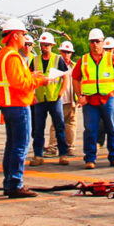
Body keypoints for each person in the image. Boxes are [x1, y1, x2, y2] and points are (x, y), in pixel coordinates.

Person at [0, 18, 50, 198]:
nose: (25, 38)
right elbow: (20, 83)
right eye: (23, 35)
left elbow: (13, 78)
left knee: (12, 146)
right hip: (18, 105)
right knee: (20, 146)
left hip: (8, 106)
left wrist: (30, 74)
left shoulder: (2, 55)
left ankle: (9, 182)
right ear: (15, 35)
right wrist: (39, 80)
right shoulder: (13, 56)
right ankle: (15, 184)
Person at [74, 28, 114, 168]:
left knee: (112, 128)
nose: (95, 44)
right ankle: (90, 158)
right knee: (90, 129)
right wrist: (80, 96)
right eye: (92, 42)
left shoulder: (112, 58)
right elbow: (75, 79)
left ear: (103, 42)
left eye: (97, 41)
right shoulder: (83, 60)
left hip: (108, 98)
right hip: (90, 101)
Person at [28, 32, 72, 165]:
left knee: (59, 126)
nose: (44, 47)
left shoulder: (58, 59)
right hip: (40, 99)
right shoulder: (34, 61)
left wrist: (62, 91)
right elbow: (29, 76)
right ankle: (38, 155)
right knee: (38, 129)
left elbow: (65, 76)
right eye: (42, 45)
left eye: (47, 45)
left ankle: (63, 154)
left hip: (54, 98)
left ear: (52, 45)